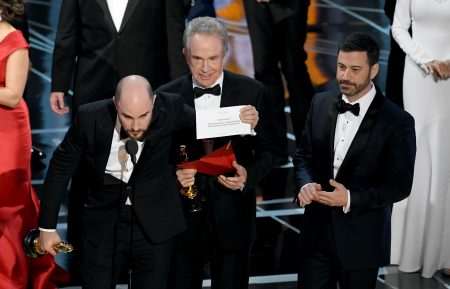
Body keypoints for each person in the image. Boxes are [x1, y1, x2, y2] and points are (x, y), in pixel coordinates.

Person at [37, 75, 258, 289]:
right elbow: (59, 169)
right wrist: (47, 227)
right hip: (103, 224)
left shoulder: (170, 108)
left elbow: (205, 124)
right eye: (127, 116)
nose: (135, 125)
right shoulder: (89, 118)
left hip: (155, 225)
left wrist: (243, 119)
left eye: (143, 116)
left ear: (154, 102)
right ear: (115, 104)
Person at [157, 16, 276, 289]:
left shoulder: (252, 92)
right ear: (185, 55)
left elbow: (272, 151)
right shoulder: (166, 97)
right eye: (197, 58)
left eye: (213, 58)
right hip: (183, 223)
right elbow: (155, 156)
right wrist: (174, 173)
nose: (206, 68)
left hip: (234, 220)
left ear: (226, 53)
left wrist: (248, 175)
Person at [293, 32, 416, 289]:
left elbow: (399, 186)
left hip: (361, 240)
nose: (345, 76)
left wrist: (349, 198)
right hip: (315, 236)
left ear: (373, 70)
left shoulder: (397, 122)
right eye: (341, 67)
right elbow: (303, 155)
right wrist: (305, 184)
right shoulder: (320, 102)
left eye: (355, 69)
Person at [0, 1, 67, 288]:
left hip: (7, 131)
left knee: (8, 207)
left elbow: (13, 95)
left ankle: (11, 279)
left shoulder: (15, 40)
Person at [390, 0, 450, 278]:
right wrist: (426, 60)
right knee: (420, 153)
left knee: (445, 155)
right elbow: (399, 27)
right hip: (417, 74)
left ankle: (445, 251)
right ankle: (409, 249)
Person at [49, 0, 189, 117]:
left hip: (147, 84)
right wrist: (59, 85)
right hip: (93, 82)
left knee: (149, 146)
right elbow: (67, 32)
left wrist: (180, 85)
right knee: (91, 144)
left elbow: (175, 36)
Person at [243, 0, 315, 163]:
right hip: (255, 4)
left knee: (294, 70)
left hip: (290, 5)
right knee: (264, 71)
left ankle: (308, 147)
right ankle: (274, 148)